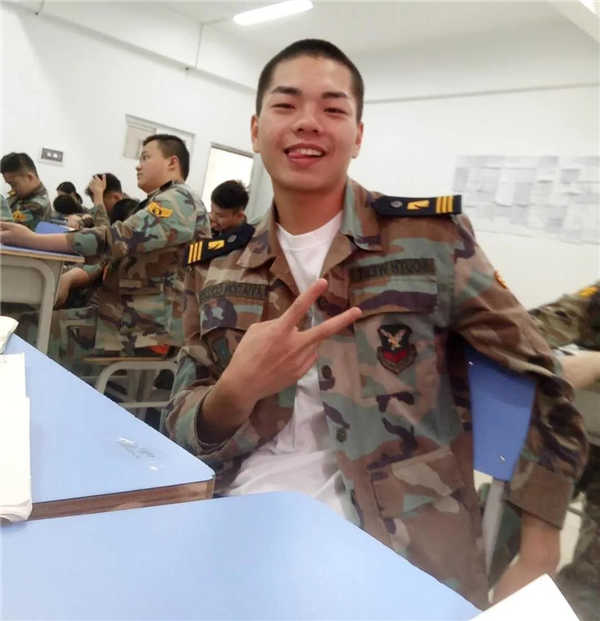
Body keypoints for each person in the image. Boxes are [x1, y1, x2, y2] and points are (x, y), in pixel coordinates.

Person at [161, 39, 587, 609]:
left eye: (332, 108)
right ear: (257, 130)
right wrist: (236, 391)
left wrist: (538, 549)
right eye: (286, 105)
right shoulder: (217, 263)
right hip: (243, 520)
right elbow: (179, 422)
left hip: (400, 546)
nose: (308, 122)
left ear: (358, 135)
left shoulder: (430, 242)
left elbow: (537, 372)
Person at [0, 134, 209, 375]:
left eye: (145, 157)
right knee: (22, 320)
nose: (138, 165)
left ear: (172, 162)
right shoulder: (165, 200)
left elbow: (116, 239)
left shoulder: (179, 200)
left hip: (142, 329)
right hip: (127, 318)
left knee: (22, 331)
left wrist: (33, 240)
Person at [0, 152, 51, 229]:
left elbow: (6, 227)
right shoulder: (23, 193)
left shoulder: (37, 206)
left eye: (13, 184)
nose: (12, 189)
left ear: (29, 177)